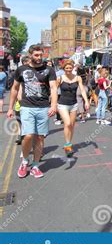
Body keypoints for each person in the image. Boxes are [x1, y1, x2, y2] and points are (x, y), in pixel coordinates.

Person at [7, 44, 58, 179]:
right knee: (28, 135)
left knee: (40, 137)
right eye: (36, 55)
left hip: (43, 107)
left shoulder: (49, 70)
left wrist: (53, 105)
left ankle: (35, 165)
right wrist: (11, 108)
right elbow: (14, 88)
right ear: (30, 55)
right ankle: (24, 161)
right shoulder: (21, 69)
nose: (39, 57)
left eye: (41, 55)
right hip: (26, 107)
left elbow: (53, 88)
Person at [57, 60, 89, 157]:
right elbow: (54, 90)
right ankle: (67, 146)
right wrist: (53, 104)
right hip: (62, 104)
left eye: (70, 68)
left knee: (72, 125)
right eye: (67, 68)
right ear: (64, 69)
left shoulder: (77, 78)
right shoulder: (60, 78)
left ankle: (69, 144)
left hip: (74, 104)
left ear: (73, 68)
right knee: (67, 123)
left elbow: (82, 90)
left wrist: (86, 101)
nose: (68, 70)